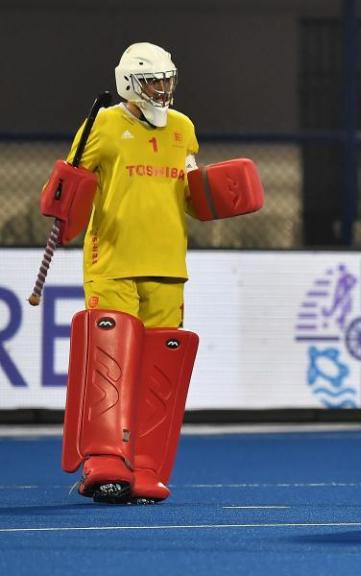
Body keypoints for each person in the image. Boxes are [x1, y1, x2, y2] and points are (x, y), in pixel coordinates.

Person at [53, 42, 261, 504]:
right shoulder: (101, 126)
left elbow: (189, 193)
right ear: (130, 82)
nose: (163, 90)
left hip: (168, 267)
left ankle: (145, 465)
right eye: (153, 82)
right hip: (113, 263)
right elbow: (75, 184)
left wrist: (219, 194)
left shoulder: (184, 129)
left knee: (157, 369)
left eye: (168, 80)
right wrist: (62, 200)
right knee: (111, 364)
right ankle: (104, 462)